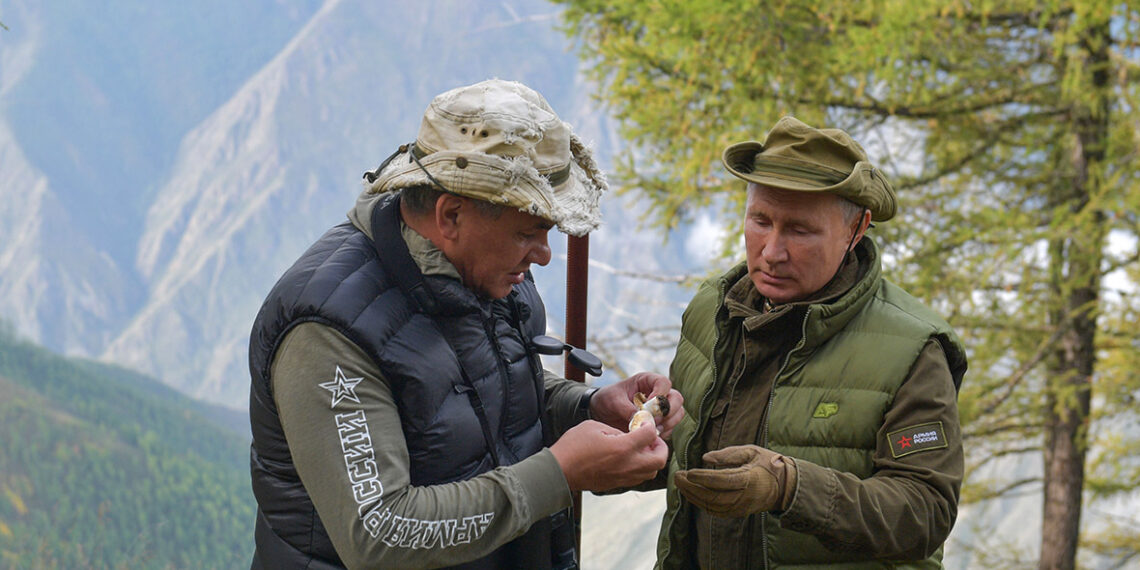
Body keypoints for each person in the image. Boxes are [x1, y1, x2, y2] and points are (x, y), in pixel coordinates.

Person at [247, 79, 682, 569]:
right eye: (528, 233)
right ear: (451, 215)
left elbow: (480, 396)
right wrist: (560, 473)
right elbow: (381, 533)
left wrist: (587, 410)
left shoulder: (487, 268)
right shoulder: (327, 332)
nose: (543, 255)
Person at [655, 116, 968, 569]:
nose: (772, 250)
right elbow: (685, 458)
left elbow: (925, 512)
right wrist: (636, 441)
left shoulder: (912, 350)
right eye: (760, 220)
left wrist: (790, 487)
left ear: (856, 230)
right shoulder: (712, 312)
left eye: (800, 231)